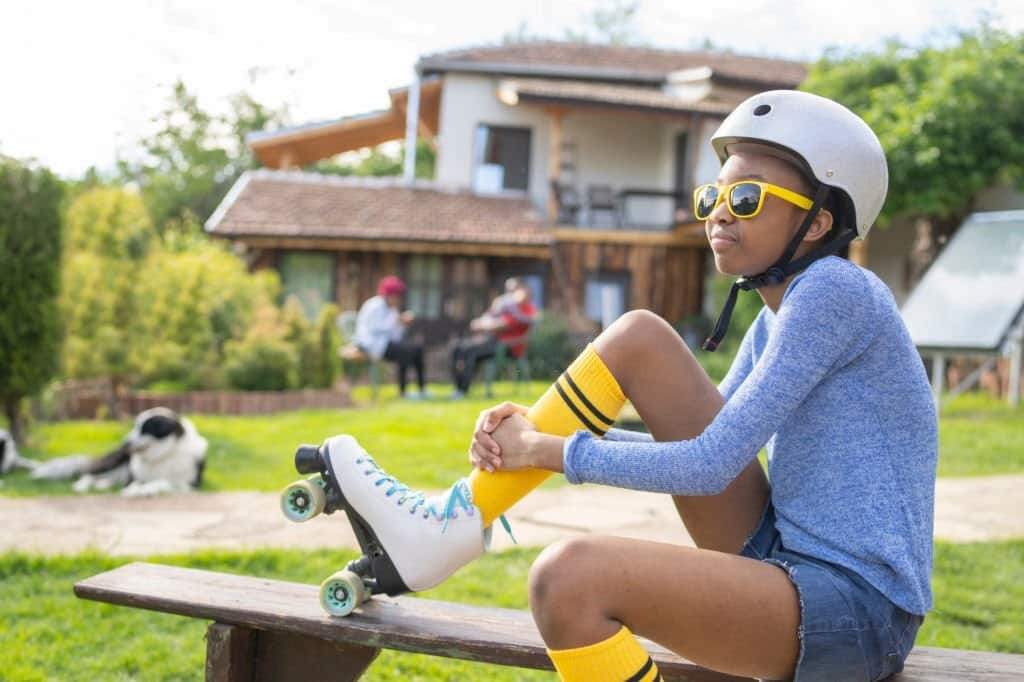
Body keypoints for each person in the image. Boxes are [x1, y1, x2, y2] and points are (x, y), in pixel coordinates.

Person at [313, 91, 937, 681]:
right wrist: (537, 438)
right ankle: (455, 517)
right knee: (640, 337)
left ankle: (446, 527)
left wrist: (547, 451)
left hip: (855, 610)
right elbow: (711, 448)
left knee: (570, 577)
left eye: (746, 197)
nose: (719, 212)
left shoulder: (835, 291)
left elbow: (710, 466)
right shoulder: (779, 316)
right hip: (791, 562)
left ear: (819, 220)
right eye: (712, 197)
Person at [450, 278, 536, 398]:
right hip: (493, 341)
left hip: (506, 347)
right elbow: (489, 316)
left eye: (514, 290)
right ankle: (458, 387)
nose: (510, 293)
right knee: (456, 347)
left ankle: (462, 390)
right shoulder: (507, 305)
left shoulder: (524, 310)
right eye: (509, 289)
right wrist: (485, 322)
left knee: (470, 351)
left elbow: (502, 325)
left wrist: (484, 324)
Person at [354, 276, 427, 399]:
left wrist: (403, 324)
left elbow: (396, 336)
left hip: (386, 344)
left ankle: (421, 390)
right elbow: (374, 328)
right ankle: (403, 392)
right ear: (388, 295)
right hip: (371, 344)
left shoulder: (392, 310)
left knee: (417, 348)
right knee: (405, 352)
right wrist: (396, 320)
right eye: (396, 296)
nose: (398, 299)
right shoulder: (374, 306)